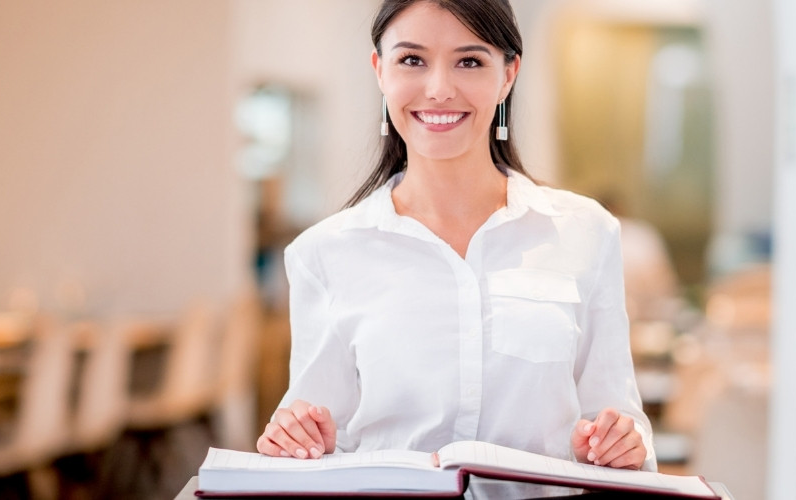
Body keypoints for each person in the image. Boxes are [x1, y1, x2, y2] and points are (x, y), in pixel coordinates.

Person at [256, 0, 655, 474]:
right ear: (380, 71)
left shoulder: (586, 233)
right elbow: (320, 441)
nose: (439, 89)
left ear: (508, 74)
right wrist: (295, 441)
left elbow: (619, 418)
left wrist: (621, 444)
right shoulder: (323, 254)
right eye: (412, 60)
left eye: (469, 61)